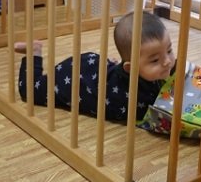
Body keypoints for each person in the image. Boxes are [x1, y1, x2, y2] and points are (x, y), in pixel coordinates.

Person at [16, 11, 176, 122]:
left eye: (169, 50)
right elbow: (156, 116)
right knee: (29, 91)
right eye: (155, 60)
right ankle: (34, 52)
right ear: (130, 69)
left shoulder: (151, 71)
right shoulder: (130, 101)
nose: (167, 62)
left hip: (95, 66)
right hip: (72, 77)